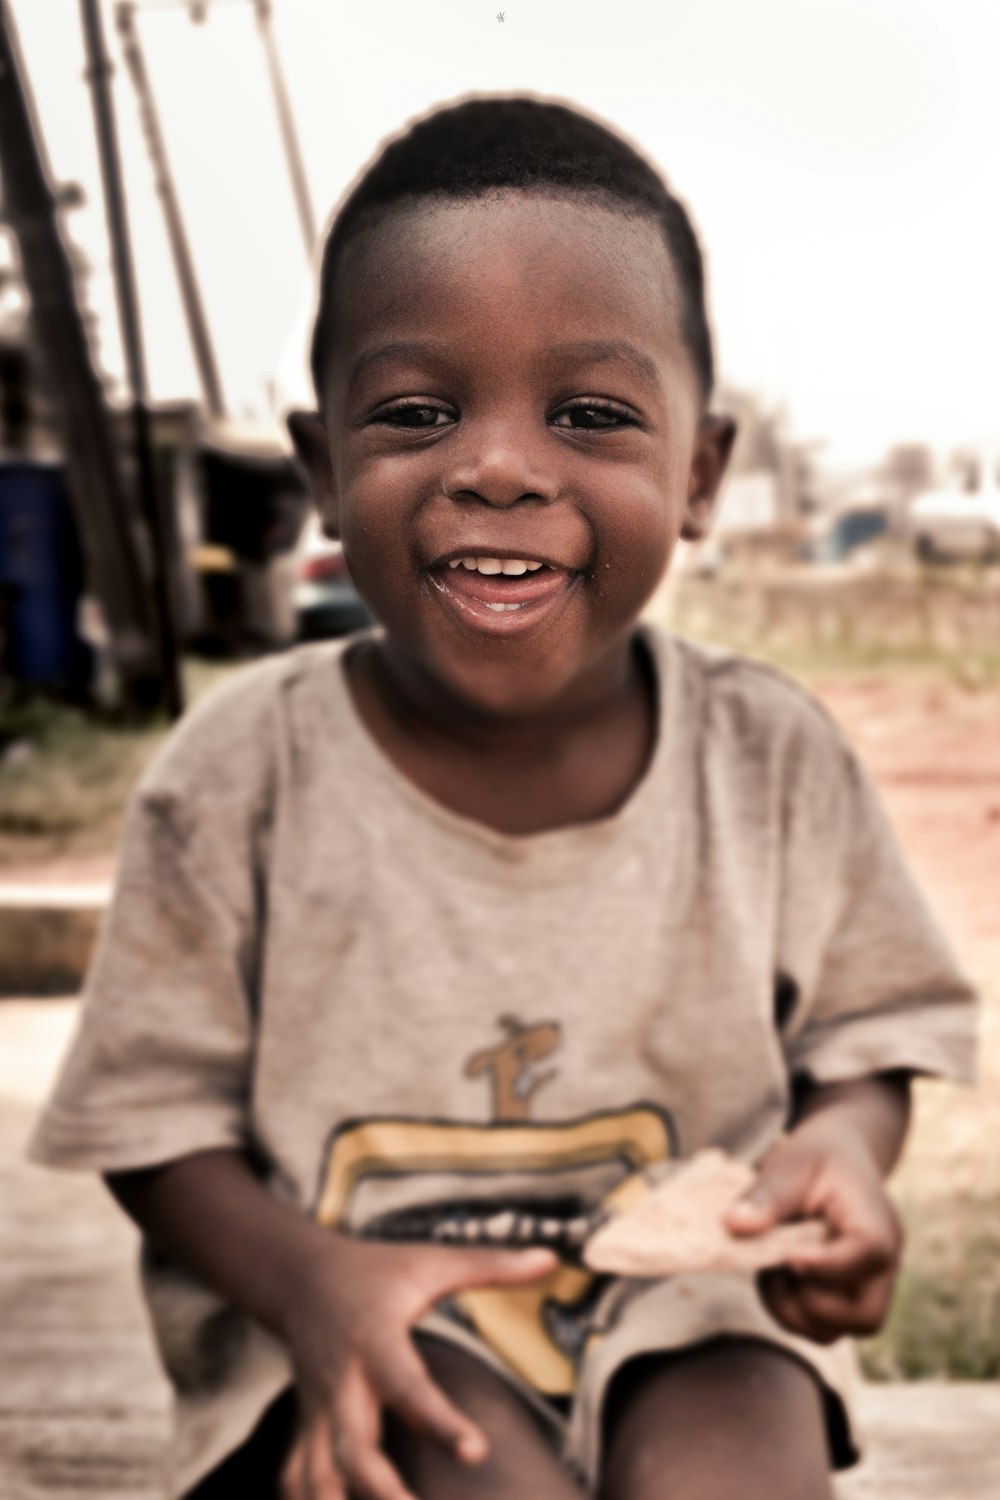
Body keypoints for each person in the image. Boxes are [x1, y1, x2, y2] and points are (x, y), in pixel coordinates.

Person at [30, 96, 976, 1500]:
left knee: (745, 1467)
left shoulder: (770, 760)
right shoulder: (241, 780)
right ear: (324, 478)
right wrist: (309, 1282)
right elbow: (150, 1127)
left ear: (700, 473)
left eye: (591, 415)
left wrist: (841, 1151)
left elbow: (867, 1033)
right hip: (352, 1316)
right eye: (418, 414)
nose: (500, 467)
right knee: (471, 1469)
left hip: (687, 1312)